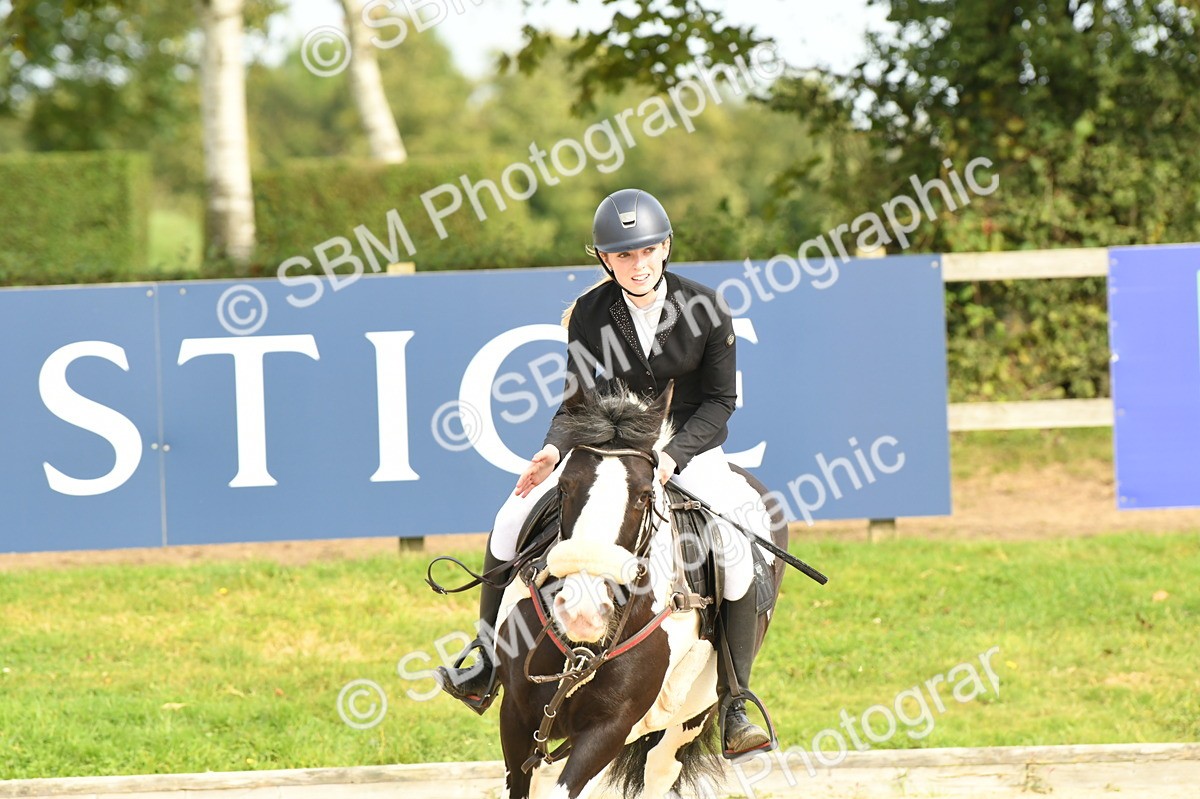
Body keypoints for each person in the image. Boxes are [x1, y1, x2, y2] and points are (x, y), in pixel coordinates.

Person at [435, 188, 776, 758]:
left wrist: (673, 455)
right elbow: (577, 401)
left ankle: (736, 699)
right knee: (511, 515)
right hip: (608, 451)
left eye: (647, 251)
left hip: (687, 450)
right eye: (623, 255)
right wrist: (551, 451)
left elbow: (720, 403)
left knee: (736, 547)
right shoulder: (592, 314)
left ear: (665, 247)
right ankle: (487, 659)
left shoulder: (706, 308)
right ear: (604, 259)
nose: (637, 265)